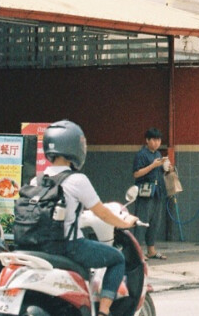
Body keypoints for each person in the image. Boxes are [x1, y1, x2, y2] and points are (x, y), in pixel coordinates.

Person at [37, 120, 137, 316]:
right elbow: (102, 213)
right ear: (74, 147)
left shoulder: (39, 179)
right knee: (117, 259)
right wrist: (125, 223)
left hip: (40, 245)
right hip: (69, 246)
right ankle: (104, 311)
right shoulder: (76, 180)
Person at [132, 127, 170, 260]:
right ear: (147, 140)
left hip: (158, 192)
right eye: (153, 140)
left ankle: (151, 250)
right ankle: (136, 251)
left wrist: (166, 168)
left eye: (158, 140)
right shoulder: (141, 155)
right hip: (145, 192)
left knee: (155, 222)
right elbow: (136, 174)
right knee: (142, 221)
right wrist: (152, 166)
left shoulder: (158, 155)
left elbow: (159, 172)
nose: (156, 143)